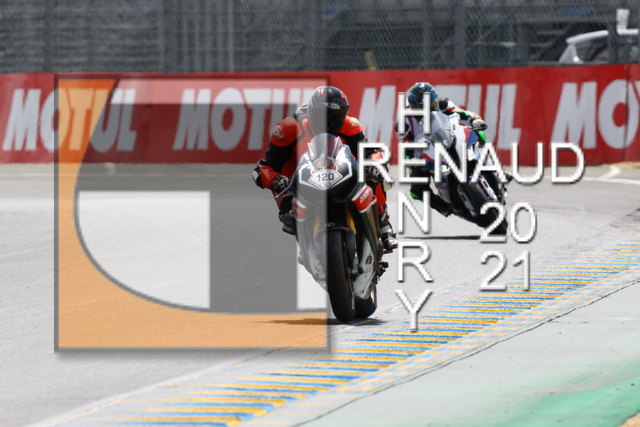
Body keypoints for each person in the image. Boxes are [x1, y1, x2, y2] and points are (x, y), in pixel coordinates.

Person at [253, 86, 398, 252]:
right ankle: (297, 223)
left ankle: (384, 226)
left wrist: (374, 164)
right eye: (323, 117)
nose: (330, 124)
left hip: (341, 173)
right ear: (311, 113)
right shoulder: (288, 128)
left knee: (375, 172)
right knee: (285, 200)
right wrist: (275, 180)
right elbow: (265, 167)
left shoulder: (349, 125)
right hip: (300, 181)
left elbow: (370, 152)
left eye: (336, 118)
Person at [399, 82, 491, 217]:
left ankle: (494, 169)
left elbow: (464, 114)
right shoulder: (406, 121)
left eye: (433, 103)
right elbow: (406, 148)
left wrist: (475, 120)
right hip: (426, 155)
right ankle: (446, 208)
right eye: (429, 106)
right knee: (416, 191)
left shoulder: (443, 104)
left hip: (450, 140)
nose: (433, 107)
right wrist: (412, 162)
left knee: (479, 134)